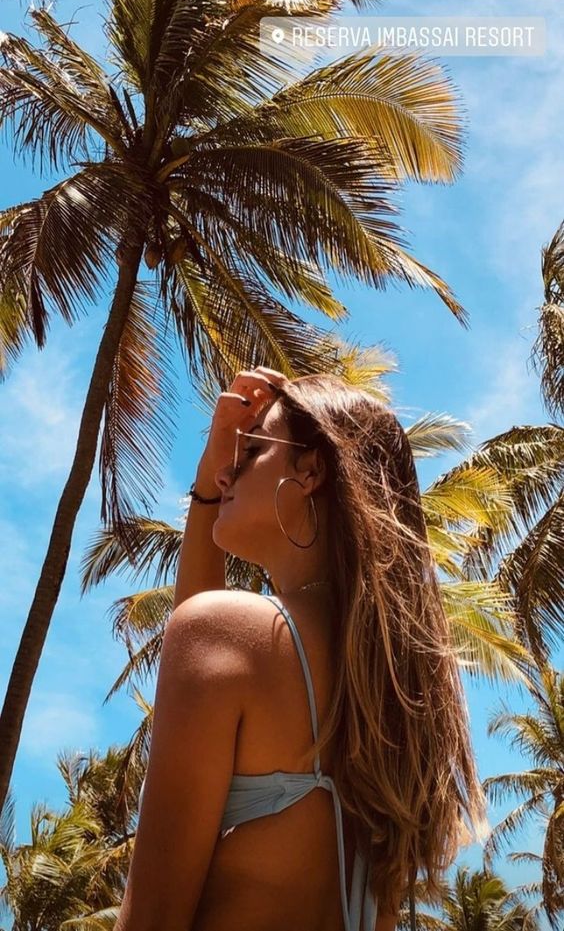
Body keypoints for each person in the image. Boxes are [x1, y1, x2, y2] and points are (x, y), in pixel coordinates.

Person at [115, 365, 490, 931]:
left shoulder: (228, 642)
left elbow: (152, 919)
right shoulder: (394, 701)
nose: (226, 472)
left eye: (251, 450)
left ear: (310, 471)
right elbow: (197, 647)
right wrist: (213, 478)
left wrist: (204, 484)